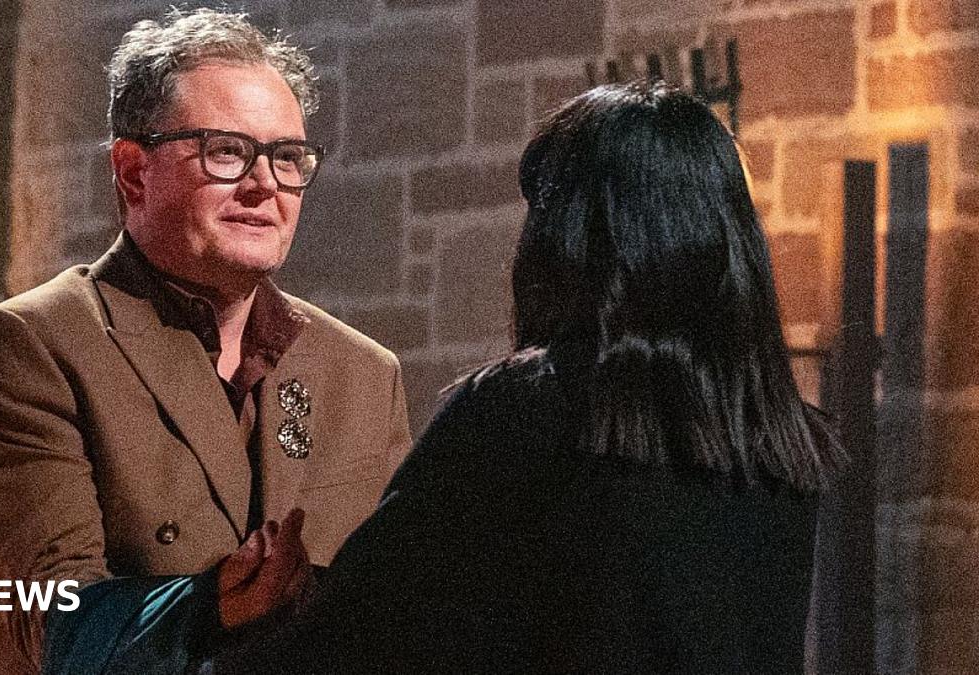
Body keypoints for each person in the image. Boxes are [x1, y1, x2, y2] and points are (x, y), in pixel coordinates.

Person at [180, 80, 844, 673]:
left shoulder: (526, 411)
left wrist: (260, 620)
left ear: (572, 241)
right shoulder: (782, 442)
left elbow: (360, 637)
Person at [0, 8, 411, 674]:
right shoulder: (30, 346)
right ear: (133, 172)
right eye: (227, 151)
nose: (263, 184)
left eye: (286, 157)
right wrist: (208, 608)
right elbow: (52, 620)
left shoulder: (361, 373)